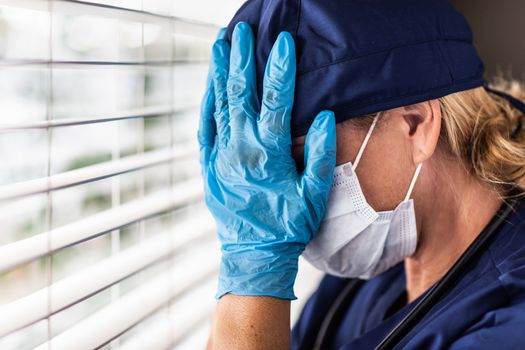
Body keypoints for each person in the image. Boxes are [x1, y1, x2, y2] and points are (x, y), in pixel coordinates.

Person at [198, 0, 525, 349]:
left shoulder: (510, 321)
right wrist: (246, 258)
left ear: (416, 124)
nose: (281, 202)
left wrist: (255, 266)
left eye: (300, 158)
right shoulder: (371, 272)